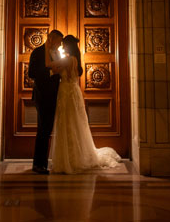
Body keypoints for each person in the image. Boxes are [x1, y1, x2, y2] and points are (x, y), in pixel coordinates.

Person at [47, 34, 122, 174]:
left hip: (66, 93)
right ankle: (75, 155)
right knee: (75, 123)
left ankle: (69, 159)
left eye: (63, 45)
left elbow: (51, 67)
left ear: (67, 46)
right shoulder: (75, 59)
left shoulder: (67, 60)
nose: (62, 47)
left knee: (67, 123)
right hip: (73, 92)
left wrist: (50, 51)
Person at [27, 29, 63, 174]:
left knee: (47, 130)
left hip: (54, 96)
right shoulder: (37, 52)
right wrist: (51, 72)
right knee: (42, 130)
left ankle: (43, 163)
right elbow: (32, 73)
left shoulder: (57, 53)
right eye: (59, 41)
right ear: (52, 39)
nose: (60, 45)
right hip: (42, 96)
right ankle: (38, 165)